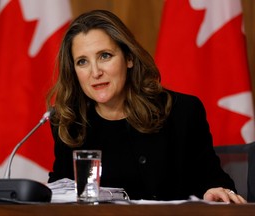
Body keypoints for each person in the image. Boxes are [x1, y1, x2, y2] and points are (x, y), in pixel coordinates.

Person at [46, 9, 246, 203]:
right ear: (73, 71)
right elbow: (59, 193)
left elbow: (215, 182)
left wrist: (214, 192)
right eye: (82, 62)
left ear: (129, 58)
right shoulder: (69, 123)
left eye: (105, 56)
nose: (95, 72)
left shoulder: (180, 112)